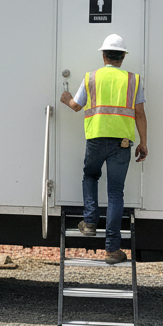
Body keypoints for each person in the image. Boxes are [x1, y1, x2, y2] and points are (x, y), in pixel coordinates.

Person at [59, 34, 148, 264]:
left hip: (96, 138)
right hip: (123, 142)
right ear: (123, 56)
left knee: (90, 176)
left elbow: (76, 106)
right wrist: (144, 142)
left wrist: (66, 98)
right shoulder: (133, 79)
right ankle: (112, 249)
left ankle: (89, 223)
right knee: (115, 192)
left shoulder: (91, 77)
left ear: (103, 55)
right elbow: (139, 113)